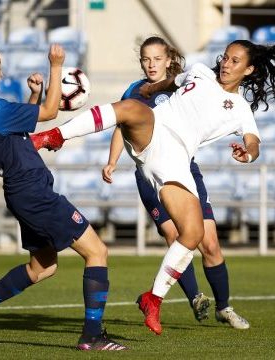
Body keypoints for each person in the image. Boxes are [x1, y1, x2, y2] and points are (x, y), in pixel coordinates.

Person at [32, 40, 275, 334]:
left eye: (235, 61)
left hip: (176, 161)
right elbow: (173, 80)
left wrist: (248, 154)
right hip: (154, 130)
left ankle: (153, 298)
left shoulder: (239, 108)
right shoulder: (199, 71)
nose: (226, 64)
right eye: (225, 57)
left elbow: (254, 142)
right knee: (131, 108)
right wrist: (149, 90)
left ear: (248, 69)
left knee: (195, 233)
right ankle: (55, 136)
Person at [0, 44, 127, 351]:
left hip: (23, 191)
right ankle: (91, 335)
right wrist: (56, 65)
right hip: (33, 192)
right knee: (97, 252)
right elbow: (49, 112)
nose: (0, 74)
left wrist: (34, 95)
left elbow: (15, 133)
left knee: (42, 267)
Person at [102, 36, 249, 328]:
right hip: (150, 175)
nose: (151, 64)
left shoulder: (185, 84)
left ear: (169, 60)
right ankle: (195, 296)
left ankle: (224, 307)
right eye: (146, 59)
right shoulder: (135, 91)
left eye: (157, 58)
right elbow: (121, 126)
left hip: (186, 170)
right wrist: (112, 161)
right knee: (175, 235)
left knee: (209, 244)